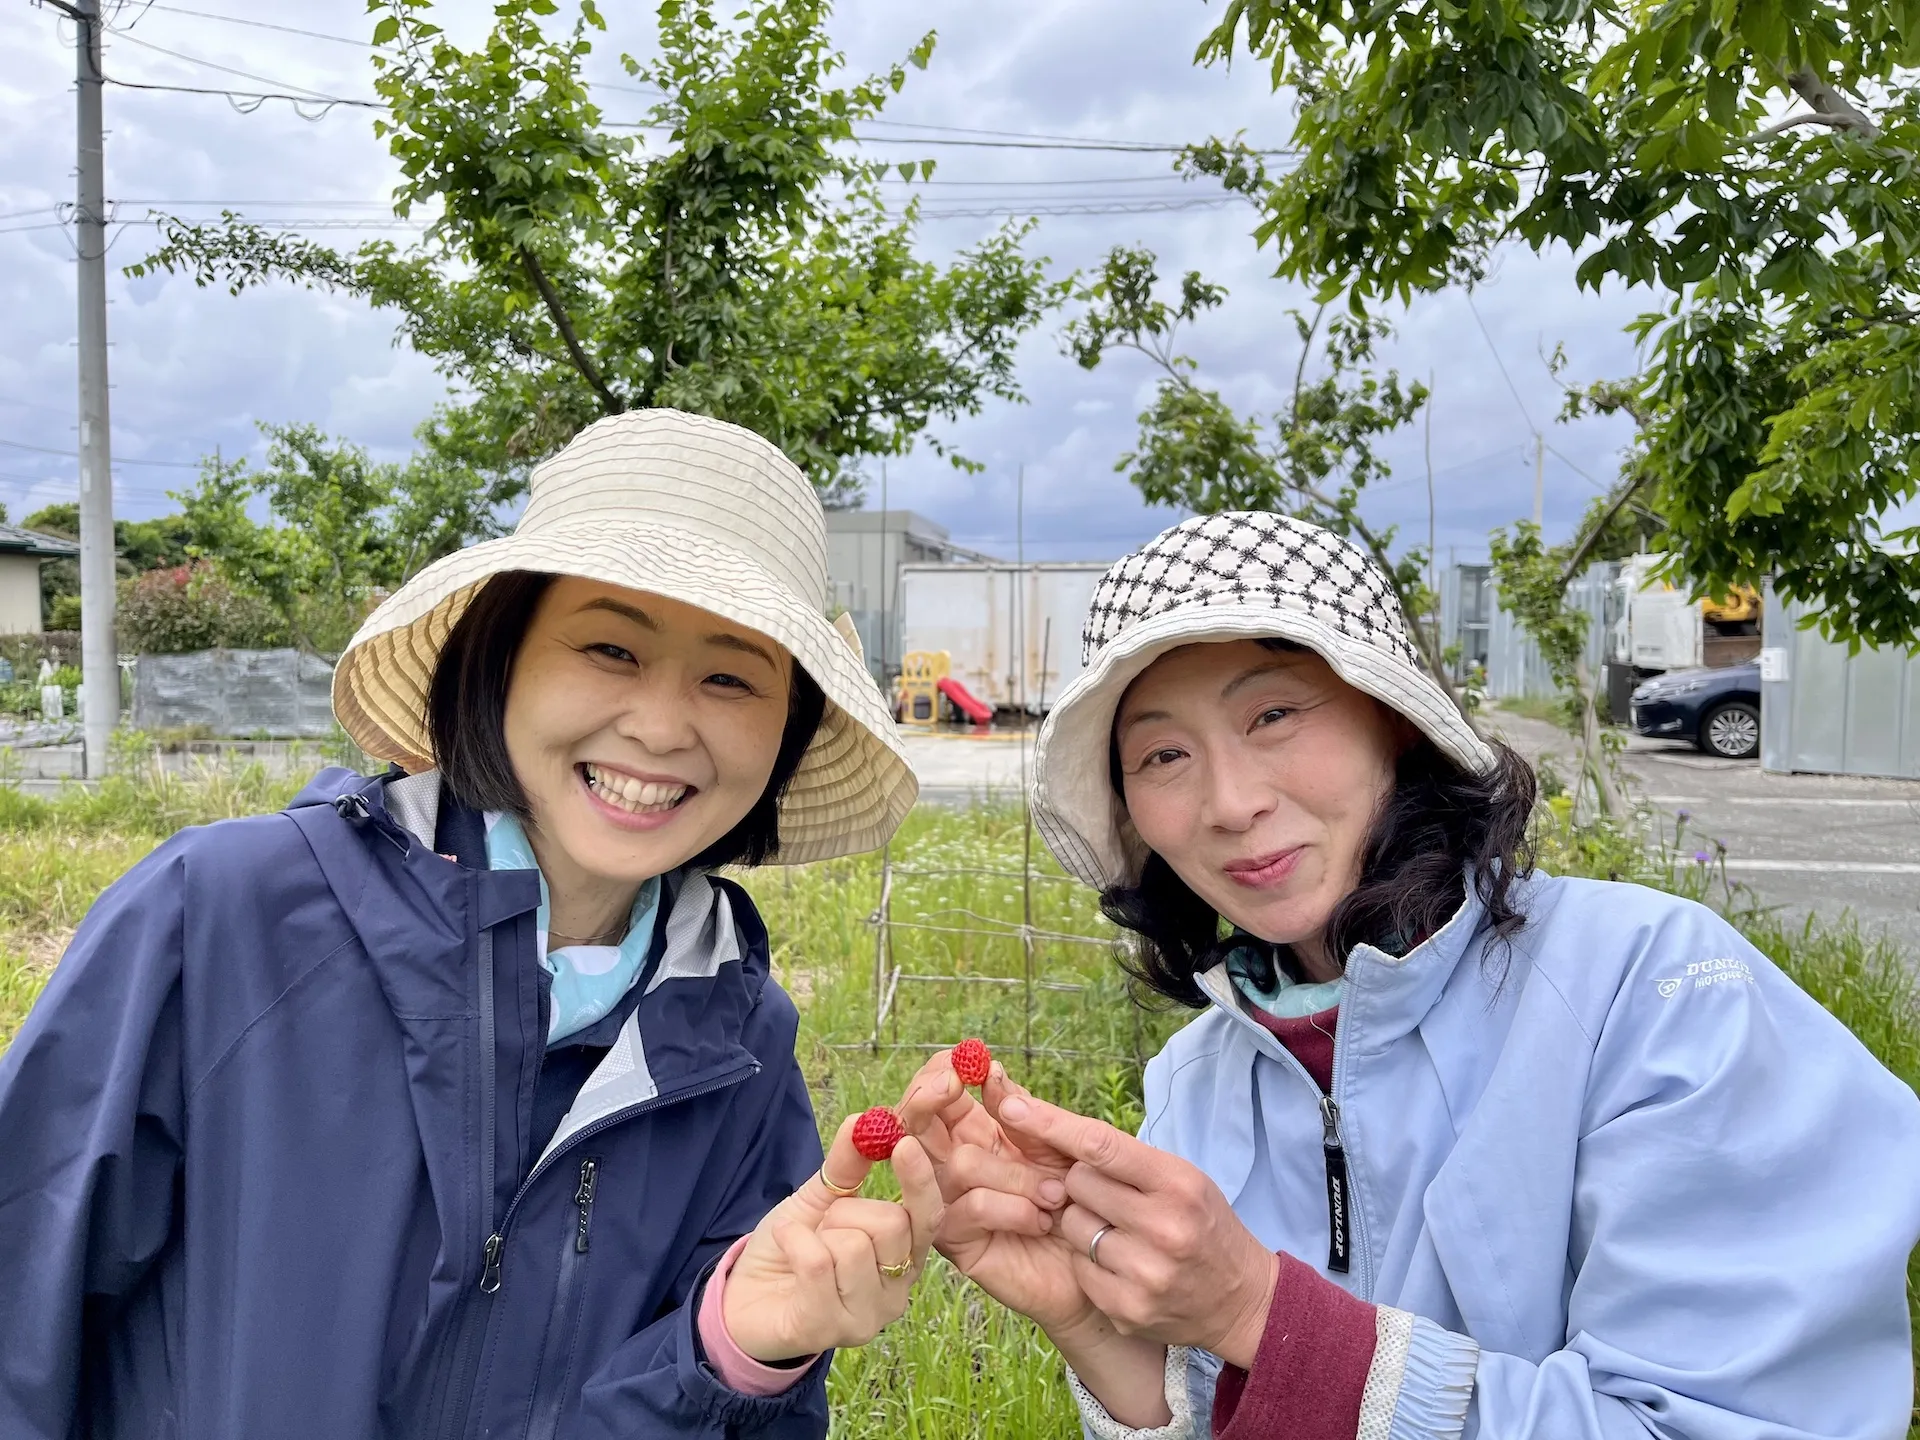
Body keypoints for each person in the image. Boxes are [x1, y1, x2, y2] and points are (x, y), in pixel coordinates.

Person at [0, 410, 941, 1439]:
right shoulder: (224, 917)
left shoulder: (742, 1048)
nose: (663, 727)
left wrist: (734, 1353)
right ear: (499, 658)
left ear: (787, 731)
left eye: (730, 676)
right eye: (611, 647)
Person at [898, 512, 1920, 1439]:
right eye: (1163, 756)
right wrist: (1105, 1334)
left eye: (1273, 717)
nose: (1230, 801)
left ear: (1394, 718)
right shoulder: (1196, 1081)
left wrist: (1262, 1313)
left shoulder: (1656, 991)